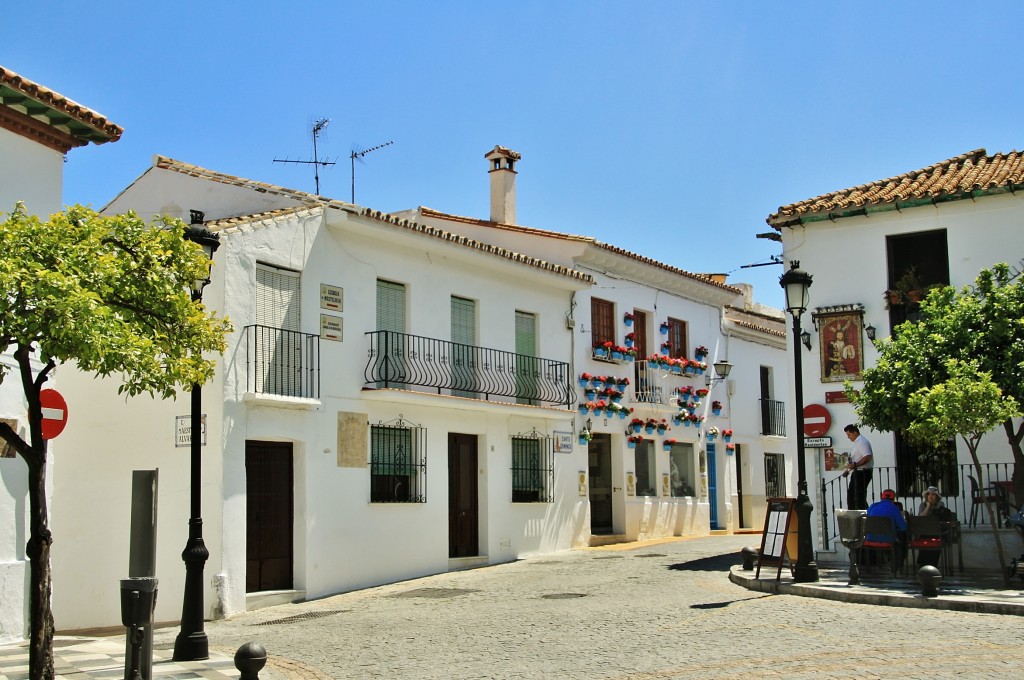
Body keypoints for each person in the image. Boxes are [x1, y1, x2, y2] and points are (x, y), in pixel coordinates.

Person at [866, 488, 908, 567]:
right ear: (893, 499)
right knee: (902, 538)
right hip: (887, 540)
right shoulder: (895, 508)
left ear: (882, 497)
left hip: (870, 538)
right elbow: (903, 528)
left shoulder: (872, 506)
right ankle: (898, 565)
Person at [842, 424, 873, 510]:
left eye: (849, 434)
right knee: (854, 496)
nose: (848, 437)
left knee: (857, 497)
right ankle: (857, 514)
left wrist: (854, 465)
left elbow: (867, 456)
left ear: (855, 433)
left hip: (862, 473)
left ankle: (861, 515)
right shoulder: (858, 443)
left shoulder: (862, 442)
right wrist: (849, 468)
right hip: (858, 472)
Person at [916, 486, 948, 567]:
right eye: (929, 494)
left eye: (933, 494)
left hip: (936, 531)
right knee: (923, 538)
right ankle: (922, 564)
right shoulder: (922, 505)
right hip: (925, 531)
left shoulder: (940, 504)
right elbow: (921, 517)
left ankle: (933, 564)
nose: (930, 496)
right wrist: (927, 507)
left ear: (936, 496)